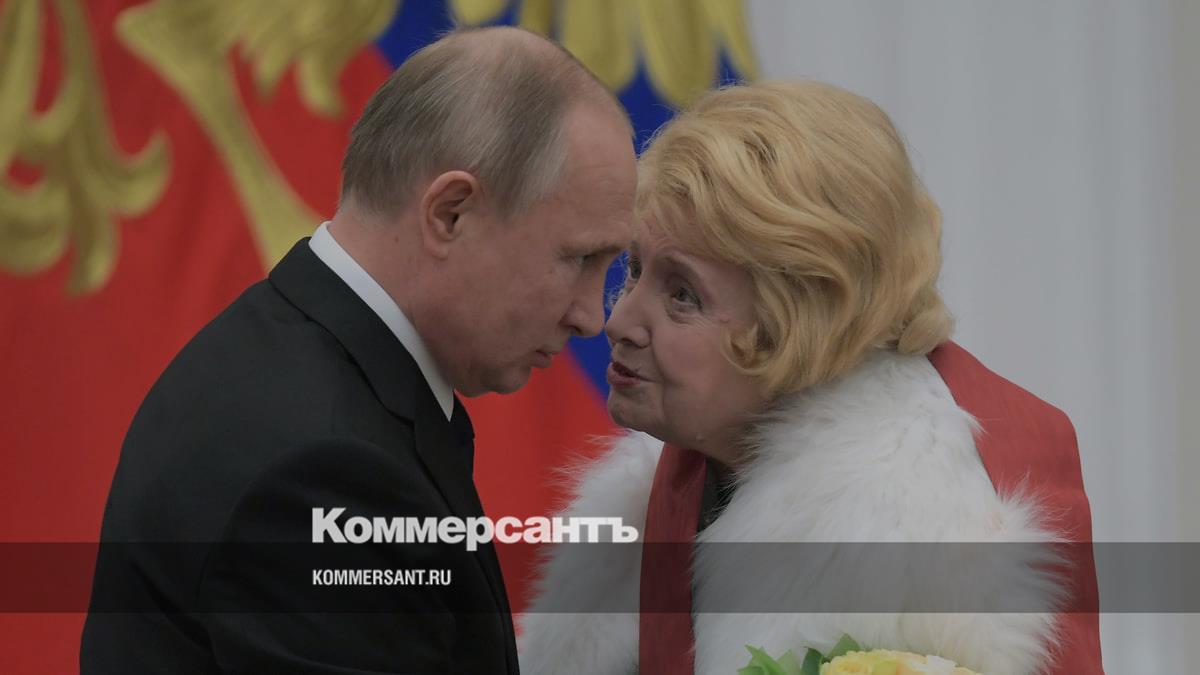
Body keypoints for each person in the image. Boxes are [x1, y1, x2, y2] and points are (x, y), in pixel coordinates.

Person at [82, 27, 635, 673]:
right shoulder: (323, 468)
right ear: (451, 213)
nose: (591, 317)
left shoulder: (285, 365)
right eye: (579, 259)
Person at [518, 81, 1103, 674]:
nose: (617, 321)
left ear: (802, 323)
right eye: (635, 269)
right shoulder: (686, 468)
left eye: (683, 295)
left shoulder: (935, 539)